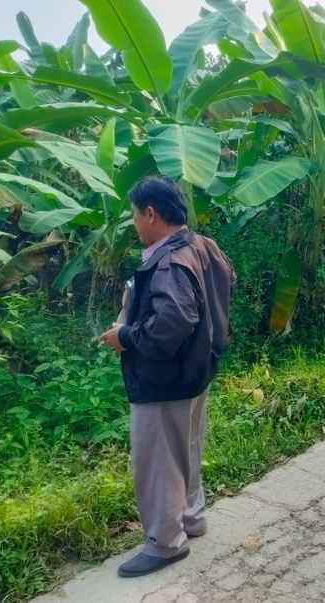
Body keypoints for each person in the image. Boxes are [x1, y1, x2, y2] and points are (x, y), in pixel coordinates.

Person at [99, 176, 234, 578]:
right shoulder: (201, 245)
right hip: (196, 371)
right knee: (186, 449)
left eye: (135, 216)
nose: (135, 224)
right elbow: (225, 282)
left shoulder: (170, 259)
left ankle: (165, 542)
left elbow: (172, 321)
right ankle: (191, 519)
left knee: (158, 461)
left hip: (165, 378)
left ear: (151, 214)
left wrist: (125, 336)